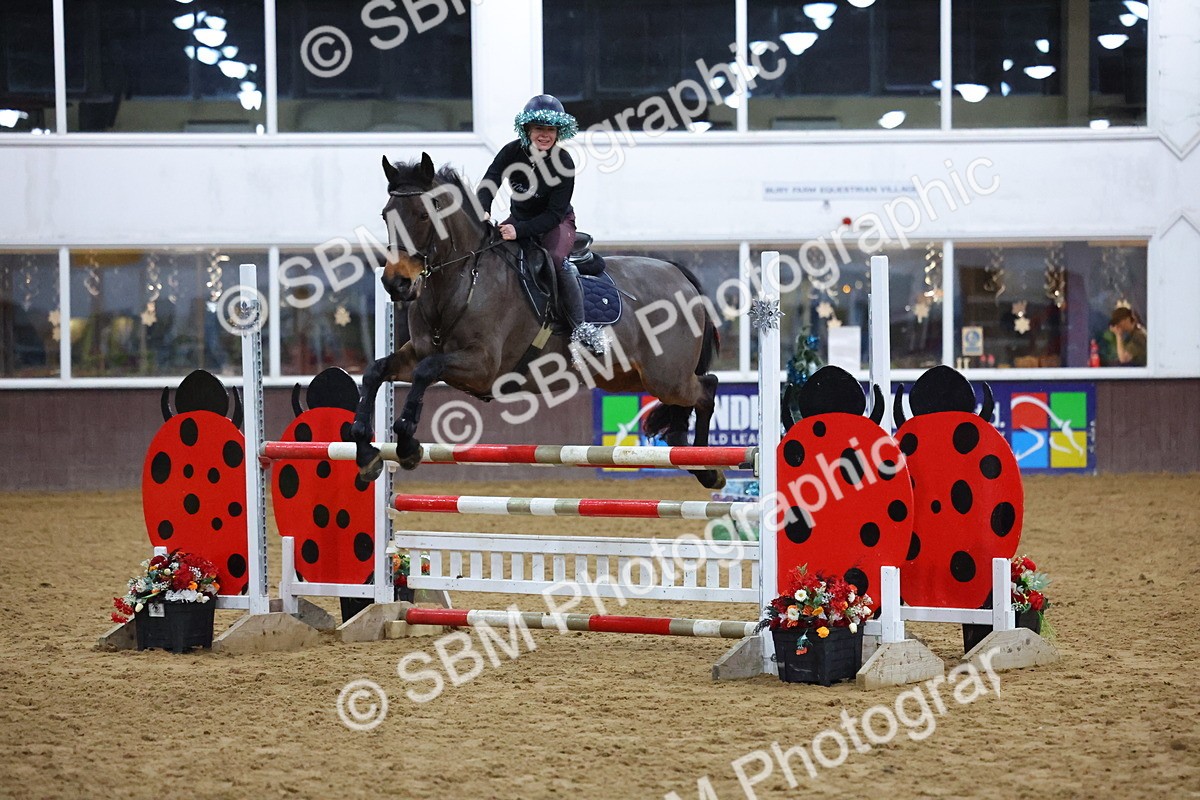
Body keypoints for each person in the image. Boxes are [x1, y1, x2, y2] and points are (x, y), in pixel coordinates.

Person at [475, 94, 604, 355]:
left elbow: (553, 214)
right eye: (538, 129)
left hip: (556, 223)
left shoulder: (564, 162)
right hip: (519, 218)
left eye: (550, 130)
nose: (544, 135)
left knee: (556, 260)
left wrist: (518, 231)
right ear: (527, 130)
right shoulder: (512, 151)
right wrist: (483, 209)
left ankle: (581, 328)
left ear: (558, 132)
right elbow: (490, 181)